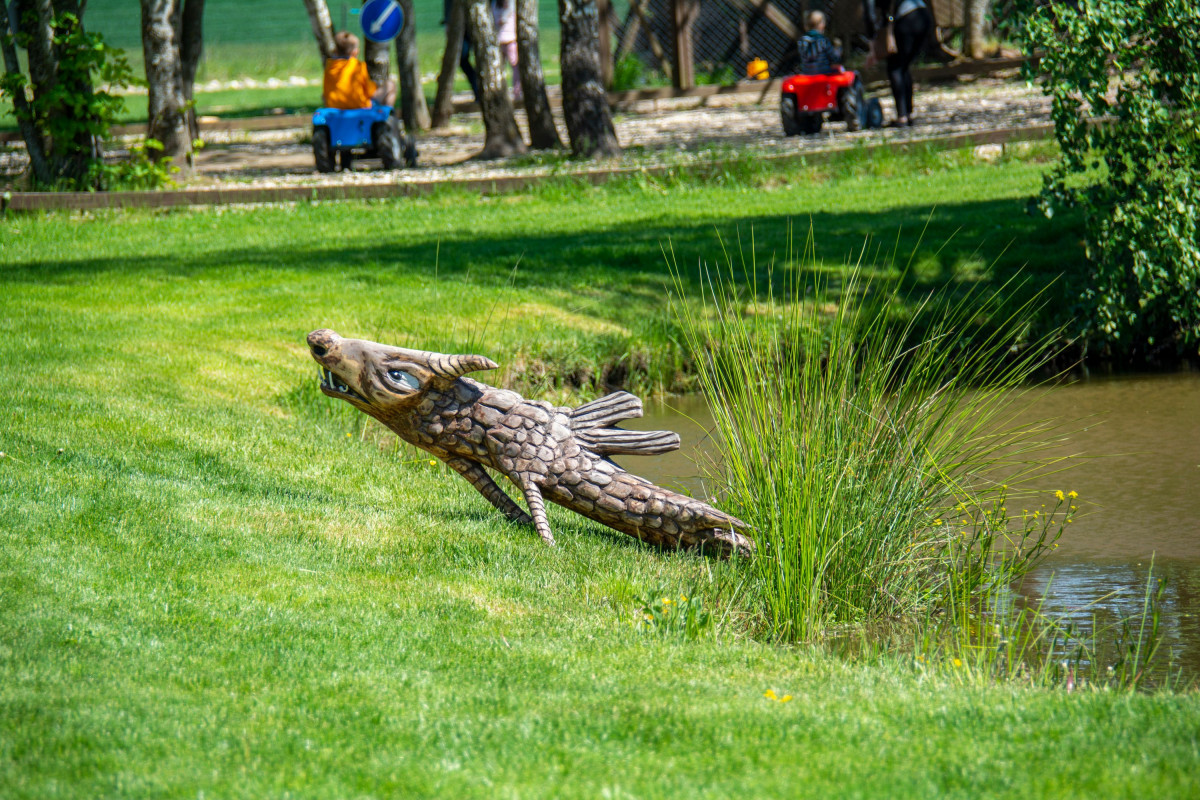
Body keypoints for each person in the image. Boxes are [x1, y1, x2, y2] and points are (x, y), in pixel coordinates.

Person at [863, 0, 932, 126]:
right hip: (923, 14)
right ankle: (908, 113)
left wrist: (872, 42)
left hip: (908, 18)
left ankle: (902, 117)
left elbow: (870, 15)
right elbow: (887, 13)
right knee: (903, 67)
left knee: (895, 67)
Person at [322, 31, 396, 109]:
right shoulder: (358, 66)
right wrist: (375, 85)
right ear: (355, 52)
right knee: (390, 85)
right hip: (359, 106)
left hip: (334, 105)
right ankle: (387, 114)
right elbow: (369, 91)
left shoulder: (330, 67)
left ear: (335, 50)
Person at [443, 0, 481, 103]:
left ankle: (480, 90)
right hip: (459, 26)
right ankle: (476, 87)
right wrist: (448, 23)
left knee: (481, 57)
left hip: (477, 22)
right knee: (462, 58)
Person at [492, 0, 521, 101]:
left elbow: (503, 18)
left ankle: (517, 93)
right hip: (500, 39)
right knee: (501, 68)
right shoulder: (495, 3)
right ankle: (501, 93)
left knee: (515, 66)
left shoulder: (510, 3)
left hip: (510, 39)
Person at [798, 10, 843, 76]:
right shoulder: (823, 40)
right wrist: (838, 49)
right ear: (821, 25)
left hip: (807, 74)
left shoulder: (801, 41)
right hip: (824, 73)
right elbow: (834, 58)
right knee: (840, 69)